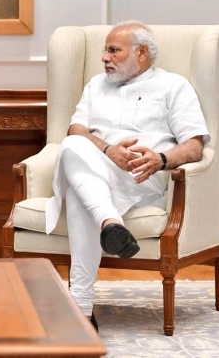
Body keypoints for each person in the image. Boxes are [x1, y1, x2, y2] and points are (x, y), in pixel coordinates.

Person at [45, 20, 209, 331]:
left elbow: (194, 146)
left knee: (81, 193)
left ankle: (81, 308)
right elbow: (76, 129)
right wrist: (108, 150)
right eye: (104, 51)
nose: (104, 57)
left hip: (141, 176)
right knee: (72, 146)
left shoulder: (174, 86)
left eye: (113, 50)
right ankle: (110, 226)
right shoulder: (96, 85)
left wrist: (161, 159)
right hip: (97, 167)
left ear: (142, 52)